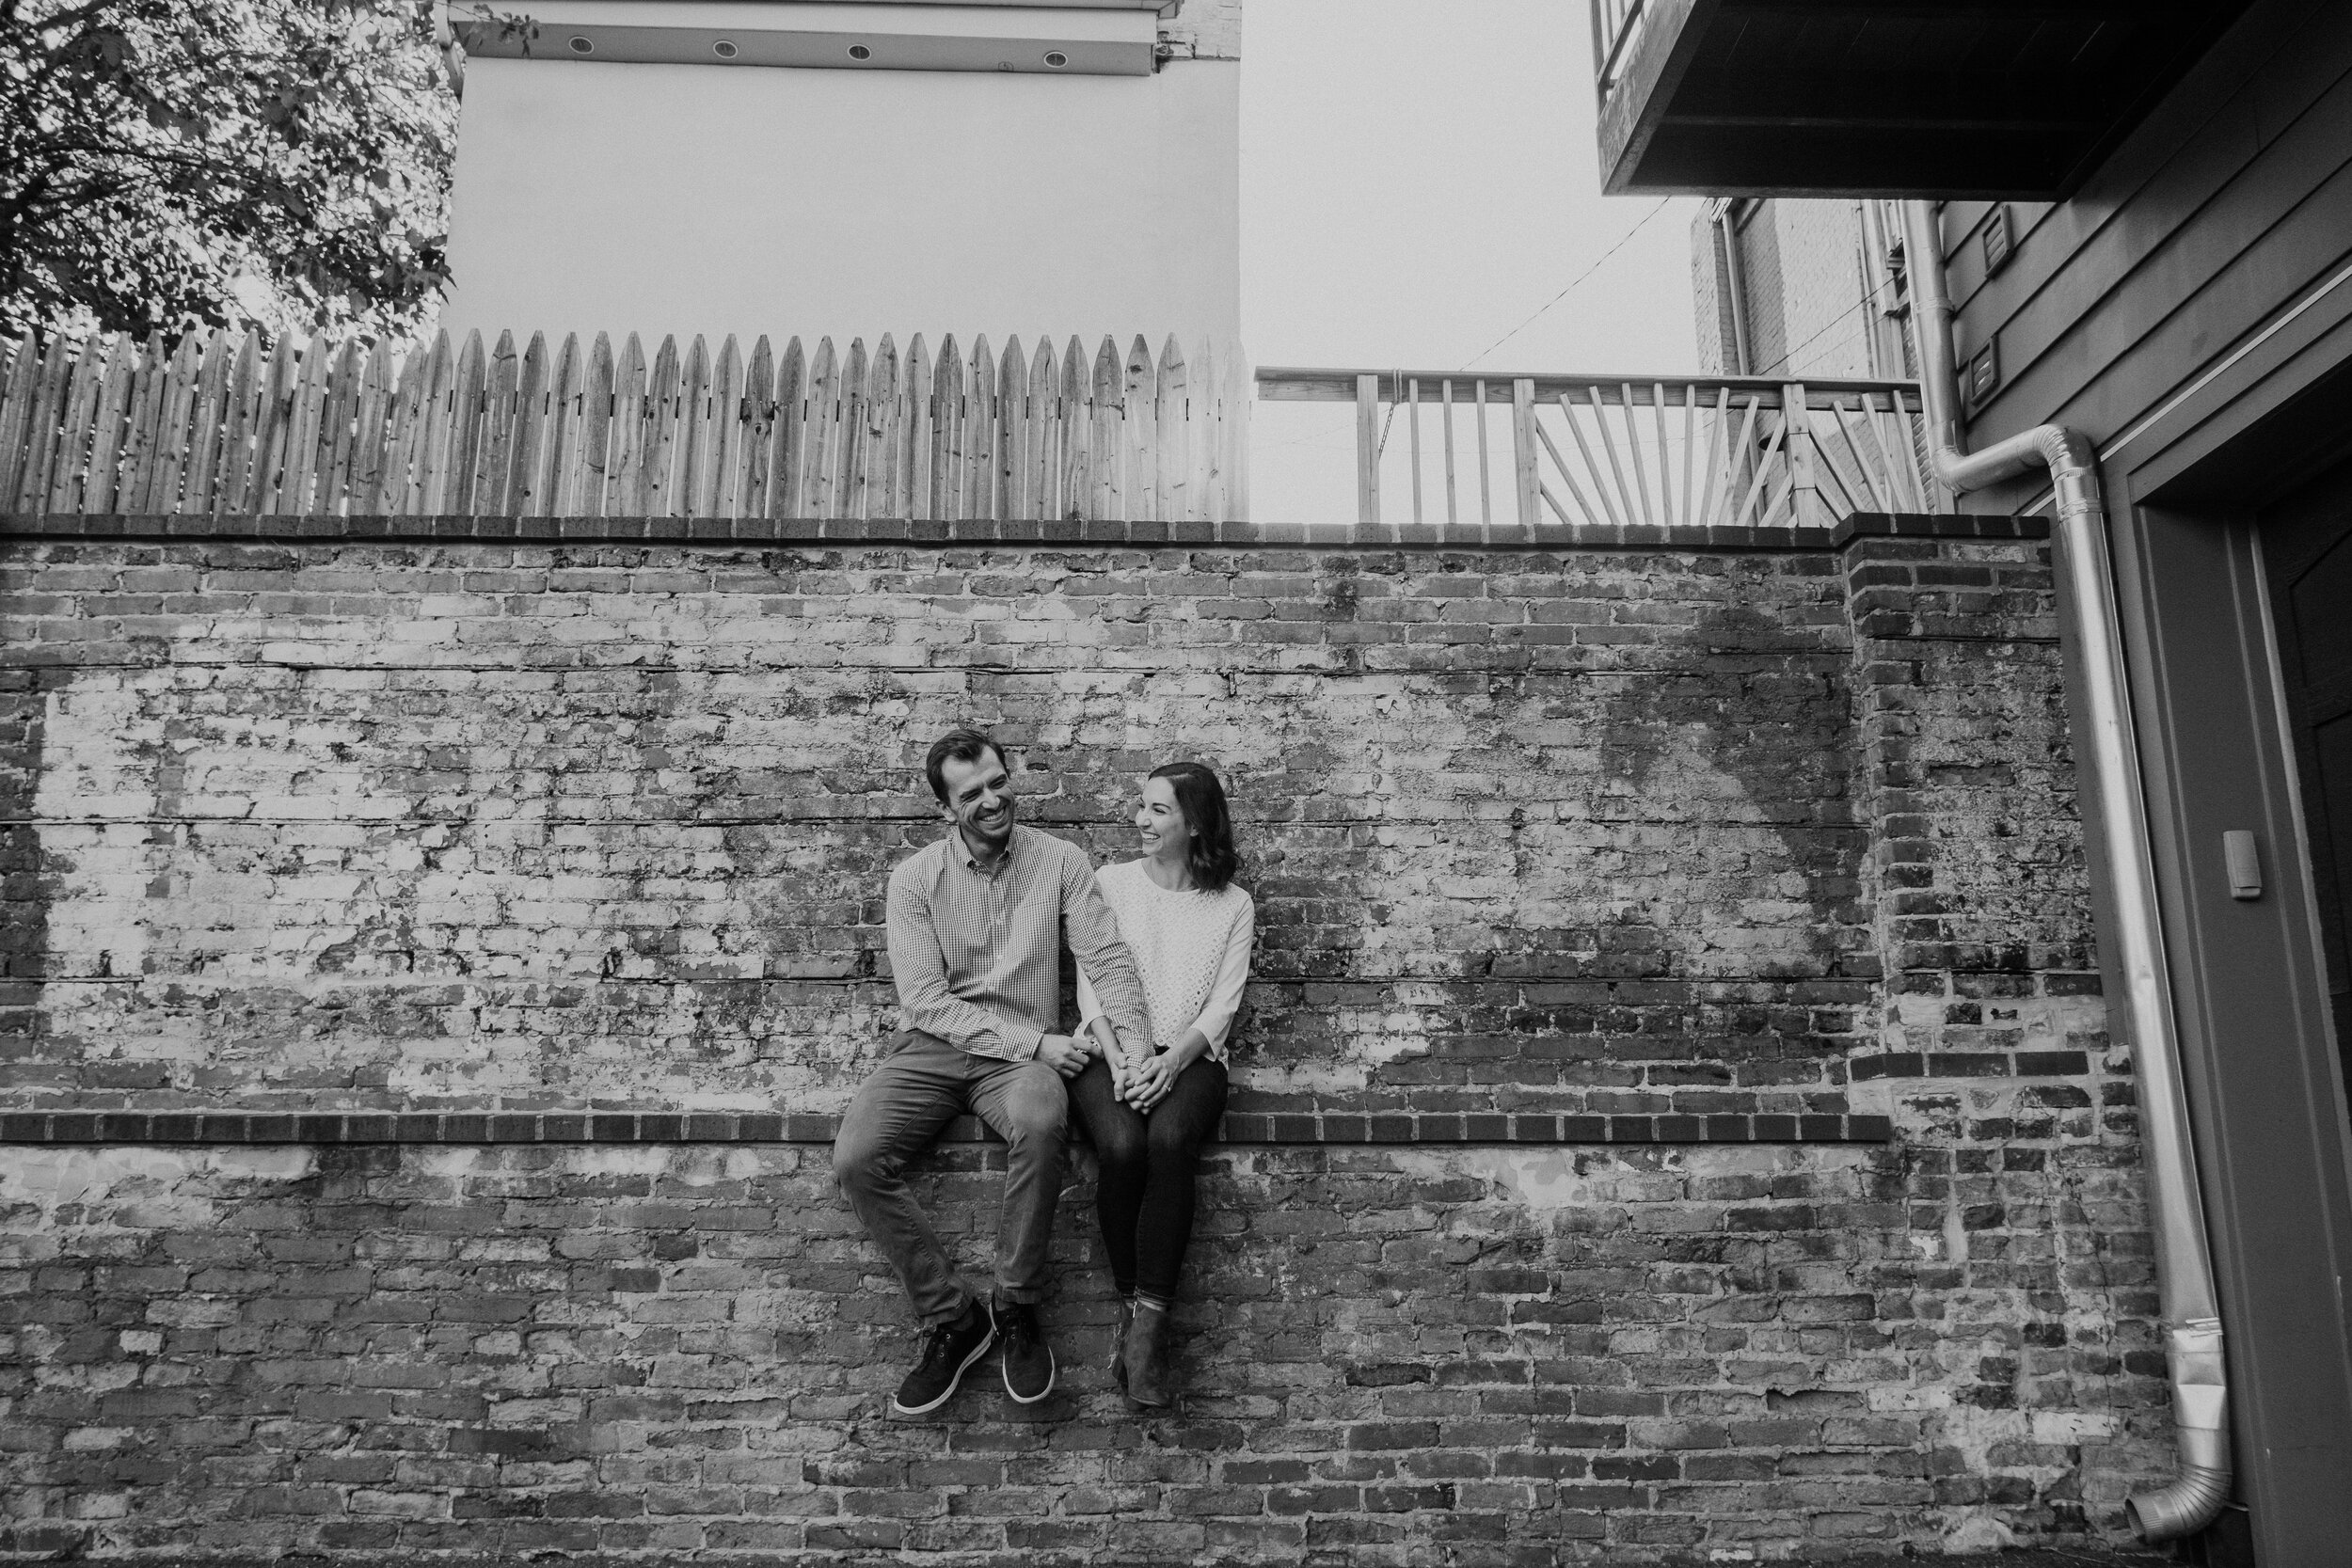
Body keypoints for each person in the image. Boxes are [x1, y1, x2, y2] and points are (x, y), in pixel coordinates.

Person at [834, 728, 1153, 1416]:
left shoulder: (1061, 861)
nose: (991, 799)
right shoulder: (915, 879)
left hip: (1017, 1066)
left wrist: (1131, 1052)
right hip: (936, 1046)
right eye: (971, 792)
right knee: (857, 1157)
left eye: (997, 781)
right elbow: (926, 1000)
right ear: (947, 808)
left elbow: (1109, 960)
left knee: (1043, 1122)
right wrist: (1036, 1040)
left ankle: (1014, 1306)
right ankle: (954, 1318)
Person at [1069, 761, 1255, 1407]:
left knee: (1169, 1141)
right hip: (1109, 1047)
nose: (1139, 820)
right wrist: (1121, 1057)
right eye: (1140, 806)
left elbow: (1222, 1007)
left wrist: (1169, 1063)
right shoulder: (1110, 883)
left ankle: (1146, 1329)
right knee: (1121, 1147)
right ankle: (1134, 1309)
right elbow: (1090, 977)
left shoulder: (1233, 904)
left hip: (1193, 1055)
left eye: (1156, 810)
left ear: (1194, 822)